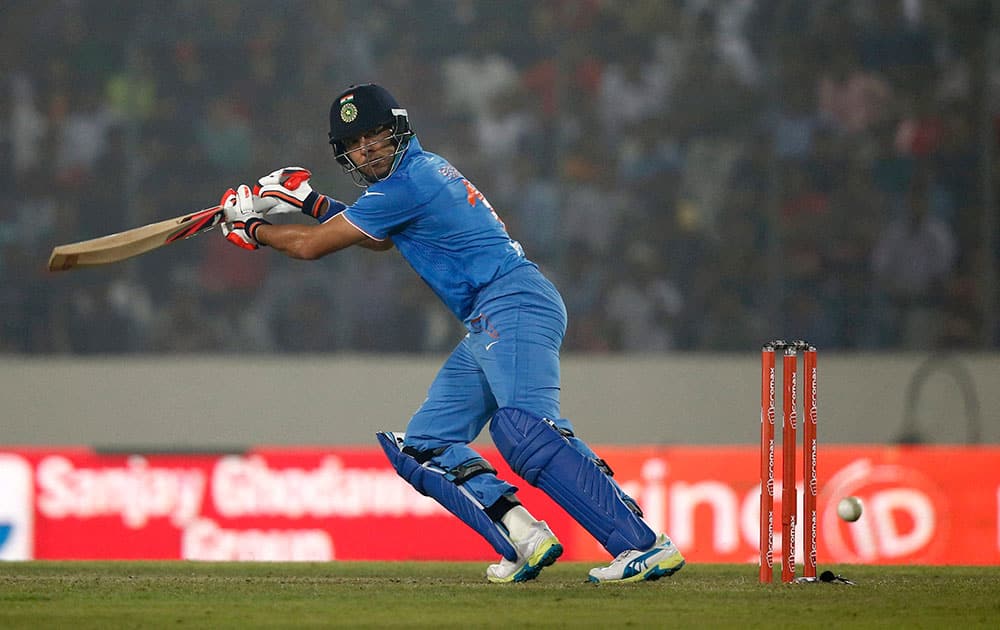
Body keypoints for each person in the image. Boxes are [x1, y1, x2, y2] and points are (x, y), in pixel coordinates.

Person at [219, 83, 684, 583]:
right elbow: (376, 238)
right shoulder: (412, 177)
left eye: (375, 133)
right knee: (424, 445)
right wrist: (308, 201)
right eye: (356, 142)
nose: (368, 147)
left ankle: (643, 544)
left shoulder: (408, 182)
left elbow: (312, 248)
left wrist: (252, 229)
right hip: (490, 317)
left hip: (513, 302)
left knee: (522, 429)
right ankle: (525, 538)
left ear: (397, 129)